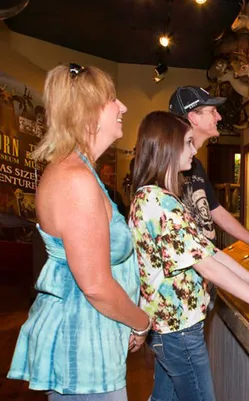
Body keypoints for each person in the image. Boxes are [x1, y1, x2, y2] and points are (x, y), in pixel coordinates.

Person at [128, 111, 249, 401]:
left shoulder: (153, 197)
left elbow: (211, 252)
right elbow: (209, 268)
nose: (194, 149)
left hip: (169, 330)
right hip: (179, 331)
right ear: (169, 147)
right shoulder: (159, 203)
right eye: (188, 143)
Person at [7, 63, 151, 401]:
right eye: (114, 100)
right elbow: (96, 286)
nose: (124, 108)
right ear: (90, 112)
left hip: (94, 346)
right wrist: (141, 321)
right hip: (82, 356)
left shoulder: (82, 171)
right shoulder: (75, 179)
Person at [168, 86, 249, 263]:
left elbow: (216, 211)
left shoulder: (196, 165)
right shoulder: (167, 166)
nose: (219, 117)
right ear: (193, 118)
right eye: (212, 111)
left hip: (206, 272)